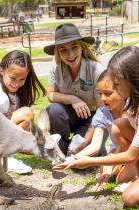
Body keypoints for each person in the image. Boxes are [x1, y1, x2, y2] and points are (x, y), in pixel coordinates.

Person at [53, 46, 139, 208]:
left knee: (129, 199)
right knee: (118, 126)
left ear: (132, 80)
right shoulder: (131, 103)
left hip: (136, 154)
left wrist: (90, 161)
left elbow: (131, 156)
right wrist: (76, 159)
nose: (115, 89)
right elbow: (99, 144)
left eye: (117, 84)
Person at [0, 50, 46, 174]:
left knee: (28, 123)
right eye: (13, 78)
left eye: (22, 79)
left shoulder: (20, 94)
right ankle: (1, 158)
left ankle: (7, 155)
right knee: (26, 113)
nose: (17, 83)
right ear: (2, 71)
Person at [43, 23, 106, 156]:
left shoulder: (97, 70)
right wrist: (73, 99)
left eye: (74, 47)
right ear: (58, 53)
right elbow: (50, 94)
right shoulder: (56, 67)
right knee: (53, 109)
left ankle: (85, 144)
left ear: (82, 47)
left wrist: (87, 138)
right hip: (68, 116)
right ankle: (63, 144)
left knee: (80, 154)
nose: (70, 54)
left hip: (93, 118)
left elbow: (103, 109)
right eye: (63, 50)